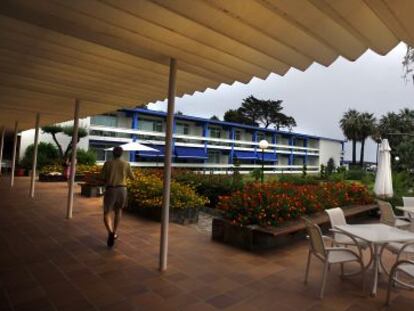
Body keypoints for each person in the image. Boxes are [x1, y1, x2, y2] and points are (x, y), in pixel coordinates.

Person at [101, 146, 134, 247]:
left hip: (111, 189)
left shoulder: (107, 164)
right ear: (122, 153)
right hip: (122, 189)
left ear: (113, 153)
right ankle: (114, 232)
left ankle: (110, 232)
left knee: (107, 213)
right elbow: (133, 178)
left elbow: (102, 177)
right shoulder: (126, 164)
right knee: (118, 211)